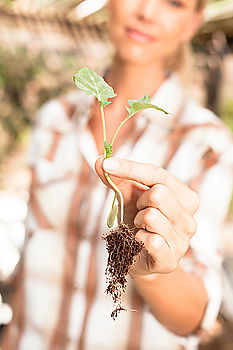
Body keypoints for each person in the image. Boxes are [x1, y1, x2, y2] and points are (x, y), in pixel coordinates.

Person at [2, 0, 233, 349]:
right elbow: (30, 256)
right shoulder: (54, 118)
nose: (147, 12)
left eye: (174, 2)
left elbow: (195, 319)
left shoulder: (206, 142)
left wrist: (153, 269)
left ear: (192, 22)